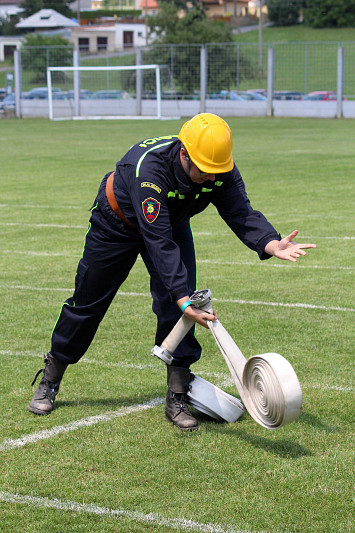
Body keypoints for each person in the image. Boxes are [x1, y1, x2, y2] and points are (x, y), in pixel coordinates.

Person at [29, 113, 316, 431]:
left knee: (178, 309)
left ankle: (177, 396)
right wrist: (182, 297)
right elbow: (159, 242)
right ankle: (51, 379)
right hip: (117, 224)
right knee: (88, 302)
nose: (211, 179)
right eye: (205, 171)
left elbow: (240, 211)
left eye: (217, 172)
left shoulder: (218, 167)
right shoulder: (150, 171)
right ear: (184, 154)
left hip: (171, 224)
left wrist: (270, 242)